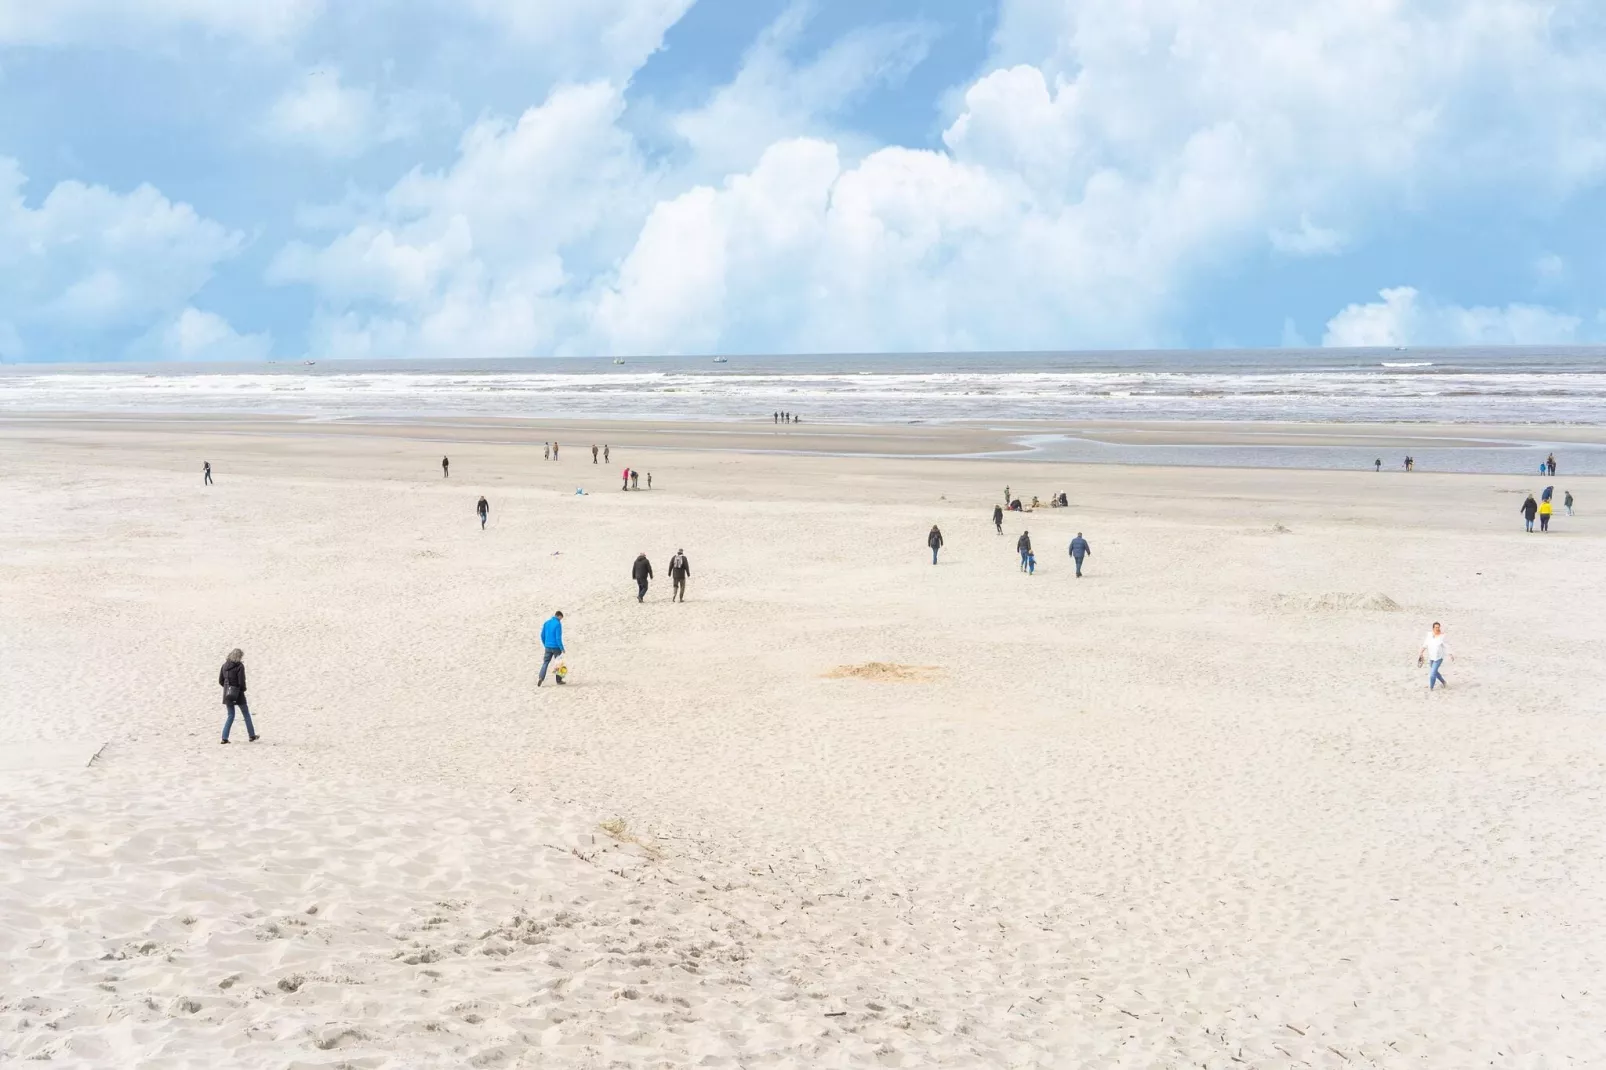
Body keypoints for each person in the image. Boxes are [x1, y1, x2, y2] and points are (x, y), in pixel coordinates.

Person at [218, 648, 258, 743]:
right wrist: (242, 689)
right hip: (238, 693)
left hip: (227, 693)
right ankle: (251, 735)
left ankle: (224, 738)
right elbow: (241, 681)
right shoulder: (240, 666)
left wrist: (227, 687)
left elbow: (220, 680)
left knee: (230, 715)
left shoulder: (224, 666)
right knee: (246, 714)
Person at [1417, 622, 1452, 691]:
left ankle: (1431, 688)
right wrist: (1421, 653)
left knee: (1432, 674)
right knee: (1435, 671)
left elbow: (1446, 646)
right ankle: (1444, 682)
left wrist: (1450, 654)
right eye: (1436, 627)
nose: (1437, 628)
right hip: (1431, 657)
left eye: (1438, 627)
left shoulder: (1442, 636)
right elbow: (1425, 645)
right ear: (1433, 628)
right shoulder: (1429, 635)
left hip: (1439, 658)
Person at [538, 611, 565, 686]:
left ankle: (541, 677)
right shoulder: (558, 624)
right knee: (559, 663)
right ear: (559, 616)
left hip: (547, 647)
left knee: (545, 662)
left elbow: (542, 635)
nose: (560, 620)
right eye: (561, 618)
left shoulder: (546, 623)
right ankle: (559, 680)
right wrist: (562, 648)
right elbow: (558, 638)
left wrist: (545, 644)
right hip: (556, 647)